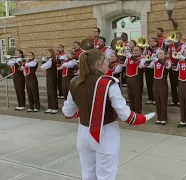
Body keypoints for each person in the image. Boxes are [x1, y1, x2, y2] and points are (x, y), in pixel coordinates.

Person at [62, 49, 155, 180]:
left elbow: (67, 111)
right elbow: (125, 115)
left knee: (87, 174)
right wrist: (144, 117)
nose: (108, 63)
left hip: (83, 133)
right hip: (105, 132)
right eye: (107, 60)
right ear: (100, 63)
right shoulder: (108, 83)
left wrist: (84, 109)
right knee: (106, 176)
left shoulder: (75, 82)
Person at [145, 49, 171, 125]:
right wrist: (149, 59)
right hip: (155, 83)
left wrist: (157, 59)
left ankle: (164, 118)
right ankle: (159, 117)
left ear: (165, 55)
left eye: (162, 53)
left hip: (162, 83)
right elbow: (146, 65)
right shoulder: (155, 62)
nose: (160, 55)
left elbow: (167, 66)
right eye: (159, 54)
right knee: (157, 102)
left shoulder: (167, 61)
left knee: (163, 102)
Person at [41, 49, 59, 114]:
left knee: (52, 92)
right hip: (48, 76)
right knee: (49, 92)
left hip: (52, 77)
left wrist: (43, 62)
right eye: (46, 52)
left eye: (48, 52)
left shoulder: (51, 60)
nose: (47, 54)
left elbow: (43, 67)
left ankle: (55, 107)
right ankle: (50, 107)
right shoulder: (48, 60)